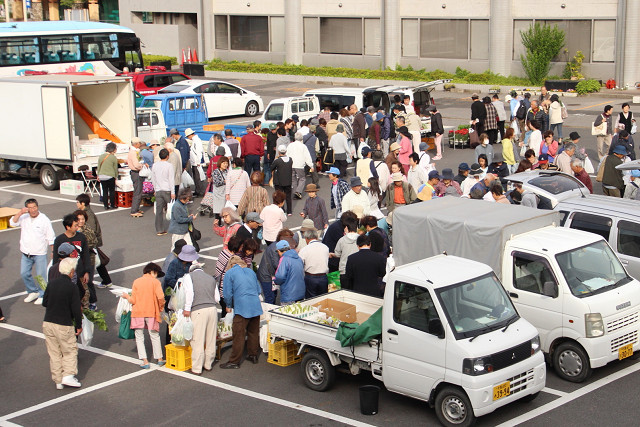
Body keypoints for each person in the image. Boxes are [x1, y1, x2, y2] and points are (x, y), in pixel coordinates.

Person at [42, 257, 83, 390]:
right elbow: (76, 309)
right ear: (71, 271)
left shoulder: (52, 283)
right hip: (64, 324)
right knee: (69, 350)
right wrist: (78, 325)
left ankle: (58, 379)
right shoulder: (72, 287)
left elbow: (45, 302)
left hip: (48, 322)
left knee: (54, 352)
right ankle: (68, 375)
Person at [220, 256, 263, 369]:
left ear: (231, 265)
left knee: (238, 334)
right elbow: (258, 290)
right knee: (253, 332)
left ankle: (234, 361)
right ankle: (253, 355)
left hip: (242, 307)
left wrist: (228, 305)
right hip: (255, 305)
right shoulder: (250, 271)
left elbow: (228, 293)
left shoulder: (230, 273)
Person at [121, 263, 166, 369]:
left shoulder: (136, 282)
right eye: (156, 274)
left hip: (138, 313)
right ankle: (159, 359)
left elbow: (133, 300)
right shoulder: (155, 282)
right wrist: (160, 308)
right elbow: (161, 297)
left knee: (139, 337)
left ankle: (145, 361)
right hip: (151, 312)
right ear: (153, 272)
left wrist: (126, 296)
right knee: (154, 335)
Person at [10, 198, 55, 305]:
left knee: (40, 276)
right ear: (27, 209)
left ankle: (43, 294)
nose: (33, 210)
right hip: (26, 252)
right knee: (24, 273)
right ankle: (32, 291)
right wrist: (20, 212)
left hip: (39, 252)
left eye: (34, 207)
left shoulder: (44, 219)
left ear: (37, 207)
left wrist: (53, 251)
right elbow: (12, 222)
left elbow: (51, 236)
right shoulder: (24, 217)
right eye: (30, 208)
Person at [183, 261, 219, 375]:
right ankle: (208, 364)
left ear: (191, 270)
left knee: (197, 339)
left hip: (198, 310)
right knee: (211, 337)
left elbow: (189, 293)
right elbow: (217, 298)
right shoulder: (210, 278)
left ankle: (197, 368)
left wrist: (187, 308)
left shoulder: (189, 277)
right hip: (212, 309)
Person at [52, 214, 91, 309]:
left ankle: (85, 315)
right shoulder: (59, 239)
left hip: (80, 273)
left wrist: (87, 271)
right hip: (66, 275)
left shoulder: (81, 237)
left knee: (84, 295)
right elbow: (56, 259)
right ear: (68, 227)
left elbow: (86, 255)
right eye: (75, 225)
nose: (78, 227)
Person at [257, 229, 295, 304]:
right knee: (270, 297)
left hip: (271, 275)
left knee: (273, 295)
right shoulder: (275, 248)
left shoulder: (279, 246)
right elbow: (277, 264)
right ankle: (268, 313)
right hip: (266, 276)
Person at [298, 228, 330, 298]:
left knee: (311, 300)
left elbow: (300, 264)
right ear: (317, 237)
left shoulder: (304, 250)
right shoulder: (325, 247)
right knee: (323, 299)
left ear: (306, 238)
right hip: (323, 277)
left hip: (310, 277)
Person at [151, 148, 176, 236]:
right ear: (167, 156)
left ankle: (159, 229)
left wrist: (155, 189)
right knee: (172, 209)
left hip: (158, 190)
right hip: (167, 190)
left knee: (159, 211)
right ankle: (175, 227)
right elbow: (171, 179)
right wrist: (173, 192)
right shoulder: (169, 166)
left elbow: (153, 178)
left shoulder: (155, 165)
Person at [274, 240, 305, 304]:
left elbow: (280, 276)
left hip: (289, 295)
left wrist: (275, 281)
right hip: (300, 293)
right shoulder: (298, 258)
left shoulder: (284, 259)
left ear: (279, 251)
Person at [331, 216, 360, 285]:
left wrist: (332, 254)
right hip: (357, 270)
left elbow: (337, 254)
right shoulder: (361, 239)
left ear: (346, 228)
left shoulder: (342, 240)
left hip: (344, 271)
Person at [287, 131, 314, 199]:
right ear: (301, 139)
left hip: (291, 164)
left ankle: (295, 192)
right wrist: (311, 165)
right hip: (300, 165)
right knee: (302, 178)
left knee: (293, 179)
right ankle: (298, 191)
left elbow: (287, 154)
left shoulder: (290, 145)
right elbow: (307, 156)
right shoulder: (303, 146)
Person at [271, 145, 294, 215]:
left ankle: (282, 210)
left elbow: (272, 167)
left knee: (279, 196)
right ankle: (289, 211)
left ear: (278, 152)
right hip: (288, 180)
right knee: (288, 196)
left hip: (279, 181)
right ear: (285, 151)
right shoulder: (290, 159)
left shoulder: (277, 161)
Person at [186, 128, 208, 197]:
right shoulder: (195, 141)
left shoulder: (196, 141)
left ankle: (201, 192)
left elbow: (199, 152)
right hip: (195, 162)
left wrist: (198, 162)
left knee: (198, 178)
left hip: (197, 162)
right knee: (197, 177)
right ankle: (198, 191)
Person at [96, 142, 118, 210]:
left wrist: (98, 175)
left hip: (102, 176)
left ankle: (105, 205)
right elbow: (115, 168)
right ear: (113, 149)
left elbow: (98, 166)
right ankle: (112, 204)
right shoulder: (113, 157)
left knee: (104, 191)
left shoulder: (101, 156)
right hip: (110, 176)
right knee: (111, 191)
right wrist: (116, 176)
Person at [127, 137, 145, 217]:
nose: (140, 144)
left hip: (134, 172)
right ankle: (134, 210)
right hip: (136, 172)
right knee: (137, 192)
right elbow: (136, 164)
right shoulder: (133, 152)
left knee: (138, 191)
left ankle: (136, 209)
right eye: (139, 143)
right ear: (137, 144)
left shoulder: (133, 151)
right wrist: (142, 165)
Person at [208, 156, 229, 222]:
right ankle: (218, 225)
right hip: (218, 194)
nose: (225, 165)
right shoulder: (215, 172)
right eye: (224, 163)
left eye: (226, 163)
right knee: (218, 211)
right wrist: (225, 181)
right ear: (220, 163)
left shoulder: (227, 171)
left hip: (225, 193)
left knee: (225, 211)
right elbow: (216, 182)